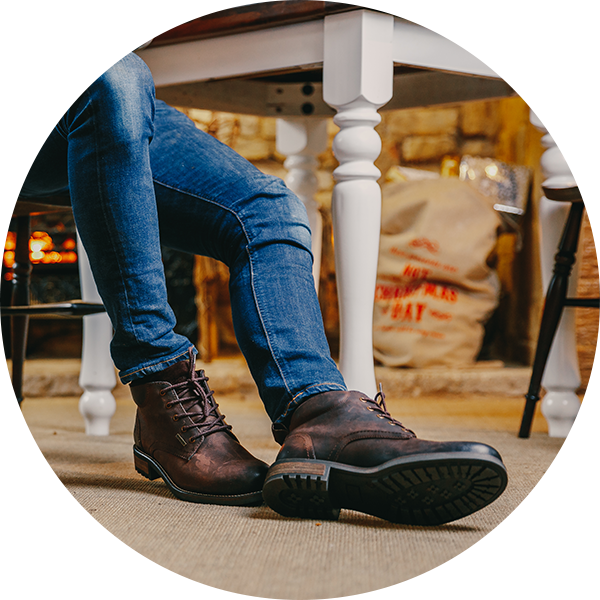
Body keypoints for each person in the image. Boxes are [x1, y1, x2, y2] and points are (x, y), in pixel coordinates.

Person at [0, 0, 507, 525]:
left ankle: (319, 414)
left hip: (106, 98)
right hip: (32, 78)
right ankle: (161, 394)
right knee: (114, 73)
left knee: (264, 208)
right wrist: (10, 30)